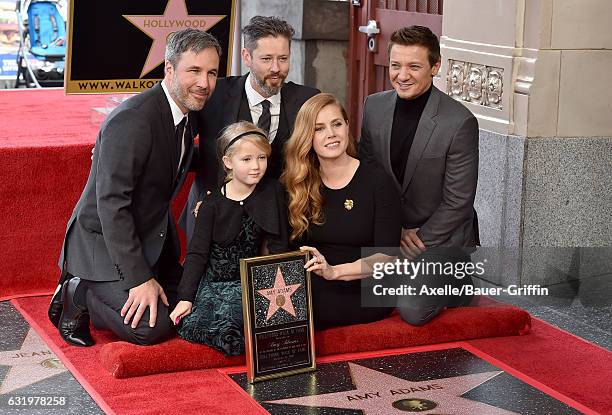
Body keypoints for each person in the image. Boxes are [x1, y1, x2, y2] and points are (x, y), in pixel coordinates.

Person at [48, 28, 221, 346]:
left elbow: (175, 156)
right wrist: (140, 279)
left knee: (191, 308)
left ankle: (112, 293)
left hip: (153, 239)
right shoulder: (133, 119)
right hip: (103, 243)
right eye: (194, 71)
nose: (204, 83)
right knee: (152, 329)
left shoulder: (188, 110)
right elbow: (112, 206)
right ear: (169, 69)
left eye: (212, 73)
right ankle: (80, 290)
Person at [359, 25, 479, 326]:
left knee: (412, 310)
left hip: (439, 237)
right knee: (346, 288)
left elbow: (459, 202)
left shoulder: (460, 122)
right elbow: (367, 175)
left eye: (414, 66)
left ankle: (459, 284)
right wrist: (390, 232)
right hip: (390, 232)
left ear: (435, 66)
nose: (402, 75)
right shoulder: (374, 107)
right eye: (396, 65)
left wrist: (420, 239)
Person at [181, 15, 319, 239]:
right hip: (215, 226)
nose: (276, 68)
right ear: (246, 56)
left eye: (283, 59)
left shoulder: (308, 100)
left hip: (283, 227)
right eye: (266, 59)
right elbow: (180, 143)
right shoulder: (212, 94)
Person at [281, 93, 402, 329]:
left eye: (337, 124)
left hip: (365, 287)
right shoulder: (297, 183)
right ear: (308, 137)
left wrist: (334, 272)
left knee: (303, 311)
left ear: (347, 126)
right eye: (319, 129)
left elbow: (386, 258)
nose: (331, 134)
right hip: (313, 282)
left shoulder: (378, 182)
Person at [170, 121, 288, 355]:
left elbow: (280, 246)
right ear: (228, 162)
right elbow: (196, 255)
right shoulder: (211, 204)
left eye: (262, 158)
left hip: (254, 282)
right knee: (227, 329)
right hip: (216, 284)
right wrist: (185, 297)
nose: (256, 166)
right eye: (246, 159)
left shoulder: (272, 191)